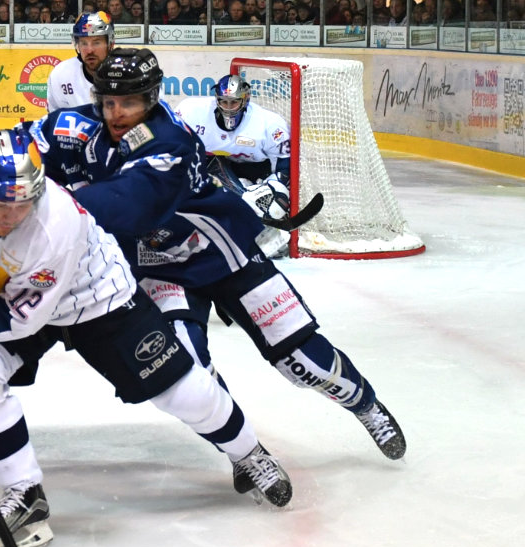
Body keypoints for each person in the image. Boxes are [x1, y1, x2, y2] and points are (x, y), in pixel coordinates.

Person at [0, 130, 293, 547]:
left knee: (183, 392)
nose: (10, 217)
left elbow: (22, 318)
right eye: (0, 204)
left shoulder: (52, 226)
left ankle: (248, 452)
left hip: (97, 298)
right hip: (12, 294)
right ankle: (24, 494)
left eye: (23, 205)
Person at [24, 48, 407, 465]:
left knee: (300, 358)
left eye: (129, 102)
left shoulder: (168, 139)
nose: (116, 113)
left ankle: (365, 404)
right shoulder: (78, 125)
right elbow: (19, 146)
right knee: (188, 370)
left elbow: (125, 202)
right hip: (157, 266)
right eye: (109, 102)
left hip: (222, 253)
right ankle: (243, 453)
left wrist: (54, 211)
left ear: (151, 99)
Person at [176, 74, 292, 258]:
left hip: (257, 170)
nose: (228, 108)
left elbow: (286, 168)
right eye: (224, 101)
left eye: (234, 102)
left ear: (245, 100)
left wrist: (269, 191)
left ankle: (264, 228)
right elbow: (177, 151)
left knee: (271, 200)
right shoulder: (191, 111)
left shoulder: (270, 124)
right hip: (213, 165)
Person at [46, 11, 113, 111]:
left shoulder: (127, 75)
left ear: (110, 43)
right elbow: (55, 118)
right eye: (84, 43)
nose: (89, 50)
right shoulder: (61, 74)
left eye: (96, 43)